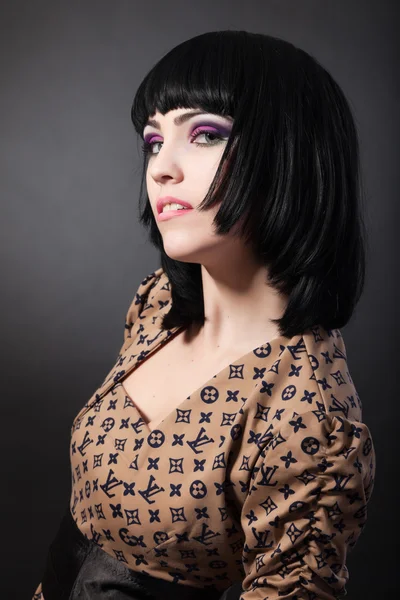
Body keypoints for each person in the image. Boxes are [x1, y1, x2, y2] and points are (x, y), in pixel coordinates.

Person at [32, 30, 376, 600]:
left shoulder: (308, 417)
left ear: (290, 151)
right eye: (152, 140)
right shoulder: (157, 307)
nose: (161, 167)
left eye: (205, 133)